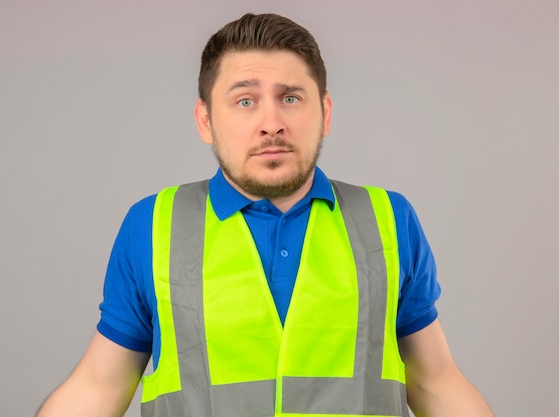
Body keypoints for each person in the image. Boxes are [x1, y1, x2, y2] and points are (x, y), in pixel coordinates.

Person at [36, 12, 494, 417]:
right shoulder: (152, 226)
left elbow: (435, 381)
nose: (271, 122)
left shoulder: (388, 220)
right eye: (245, 100)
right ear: (205, 120)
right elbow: (100, 386)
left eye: (291, 97)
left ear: (325, 113)